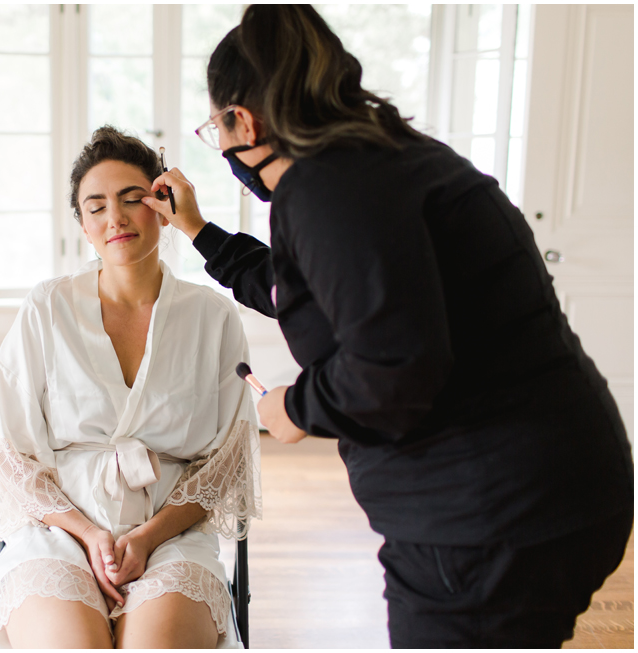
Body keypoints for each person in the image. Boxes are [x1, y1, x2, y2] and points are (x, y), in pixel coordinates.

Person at [140, 5, 634, 649]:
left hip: (488, 520)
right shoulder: (387, 159)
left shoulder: (327, 192)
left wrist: (297, 407)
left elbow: (395, 371)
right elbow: (298, 289)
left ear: (245, 121)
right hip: (564, 484)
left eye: (215, 128)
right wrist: (200, 231)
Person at [0, 126, 261, 648]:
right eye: (96, 207)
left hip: (171, 536)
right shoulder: (47, 309)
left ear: (163, 206)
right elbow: (11, 456)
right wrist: (89, 534)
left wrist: (147, 536)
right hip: (57, 534)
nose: (116, 217)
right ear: (83, 225)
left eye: (133, 199)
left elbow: (228, 459)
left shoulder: (213, 316)